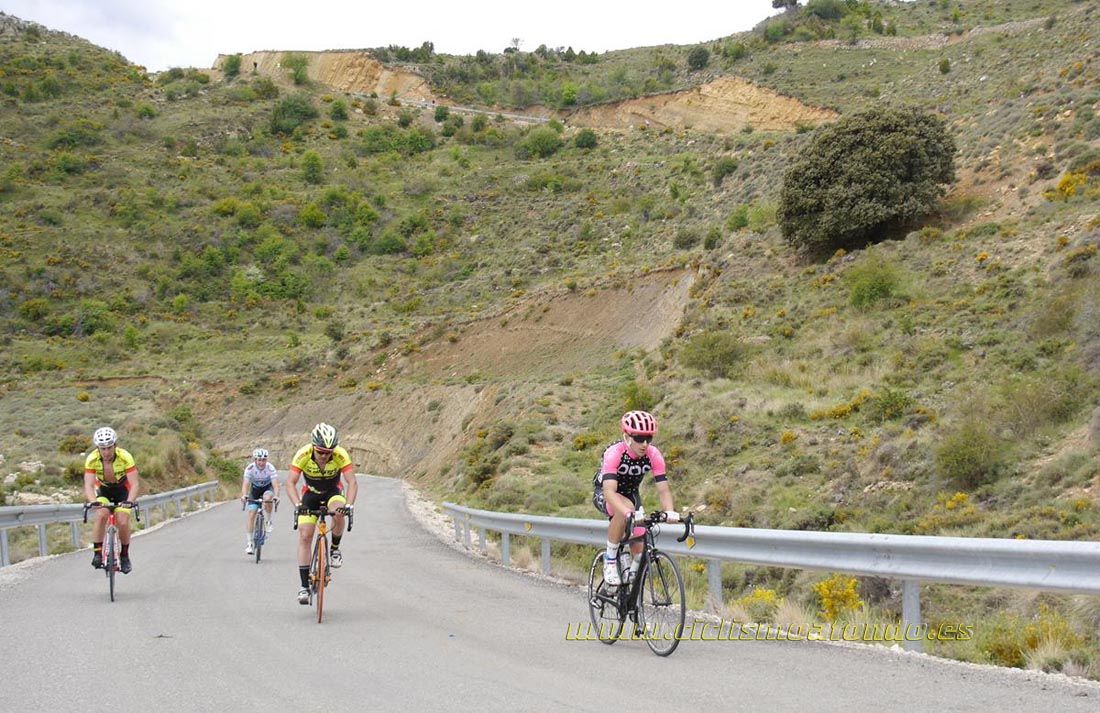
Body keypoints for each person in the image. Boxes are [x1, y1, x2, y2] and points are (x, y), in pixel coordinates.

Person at [591, 411, 678, 586]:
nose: (645, 444)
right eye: (639, 438)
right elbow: (609, 491)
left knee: (640, 545)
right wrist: (626, 512)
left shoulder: (653, 454)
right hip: (607, 492)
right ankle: (610, 560)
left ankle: (629, 585)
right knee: (625, 510)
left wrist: (669, 511)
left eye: (648, 438)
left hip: (631, 494)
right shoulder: (614, 453)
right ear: (627, 437)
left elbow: (663, 490)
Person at [286, 423, 357, 604]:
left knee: (339, 512)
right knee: (305, 536)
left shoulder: (340, 454)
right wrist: (298, 505)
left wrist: (349, 505)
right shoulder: (303, 454)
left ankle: (334, 549)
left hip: (333, 492)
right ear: (313, 446)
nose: (325, 456)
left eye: (328, 452)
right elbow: (290, 483)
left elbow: (352, 482)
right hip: (310, 494)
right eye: (320, 452)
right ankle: (304, 586)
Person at [83, 427, 141, 573]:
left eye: (109, 447)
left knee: (122, 520)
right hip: (103, 490)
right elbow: (89, 485)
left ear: (115, 445)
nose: (106, 452)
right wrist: (93, 501)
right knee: (101, 514)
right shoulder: (92, 459)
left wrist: (130, 501)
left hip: (123, 490)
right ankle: (97, 552)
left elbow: (134, 484)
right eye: (103, 448)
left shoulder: (125, 457)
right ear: (98, 448)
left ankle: (124, 555)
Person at [240, 448, 280, 555]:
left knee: (267, 498)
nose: (262, 462)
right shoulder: (250, 468)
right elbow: (245, 484)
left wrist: (276, 496)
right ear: (255, 460)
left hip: (267, 488)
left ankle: (268, 521)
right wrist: (244, 495)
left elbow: (275, 485)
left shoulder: (270, 468)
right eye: (259, 460)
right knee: (251, 513)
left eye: (264, 460)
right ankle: (249, 543)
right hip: (255, 490)